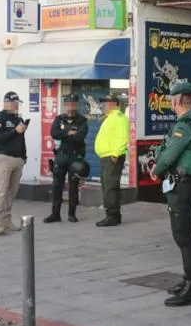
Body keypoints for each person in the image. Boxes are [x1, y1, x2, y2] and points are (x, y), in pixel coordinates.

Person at [150, 80, 191, 308]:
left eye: (171, 100)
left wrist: (157, 169)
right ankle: (189, 280)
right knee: (183, 235)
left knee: (183, 235)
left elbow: (170, 153)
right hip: (185, 183)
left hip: (182, 185)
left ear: (176, 100)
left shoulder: (185, 126)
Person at [45, 94, 88, 224]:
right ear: (65, 105)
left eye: (73, 104)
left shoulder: (82, 120)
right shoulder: (59, 119)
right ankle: (55, 213)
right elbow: (54, 134)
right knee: (57, 185)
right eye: (68, 104)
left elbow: (80, 137)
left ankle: (72, 214)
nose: (70, 106)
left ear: (76, 105)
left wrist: (64, 135)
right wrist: (69, 133)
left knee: (73, 186)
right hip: (61, 156)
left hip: (75, 156)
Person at [0, 91, 28, 236]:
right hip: (3, 159)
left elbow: (21, 140)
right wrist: (15, 131)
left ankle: (6, 220)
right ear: (6, 102)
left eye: (18, 103)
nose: (16, 106)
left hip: (17, 160)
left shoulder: (19, 118)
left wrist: (24, 157)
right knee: (0, 191)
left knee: (11, 193)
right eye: (13, 103)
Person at [94, 93, 129, 227]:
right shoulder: (111, 117)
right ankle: (114, 214)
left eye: (106, 103)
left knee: (110, 186)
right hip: (107, 156)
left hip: (112, 157)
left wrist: (115, 154)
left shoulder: (119, 118)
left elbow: (122, 137)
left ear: (113, 104)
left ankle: (112, 216)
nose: (103, 105)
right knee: (108, 185)